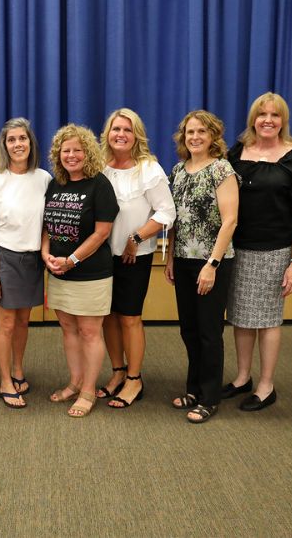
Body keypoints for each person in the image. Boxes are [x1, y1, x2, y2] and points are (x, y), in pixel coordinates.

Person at [223, 93, 292, 411]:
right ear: (253, 119)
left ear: (283, 121)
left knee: (267, 319)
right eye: (262, 114)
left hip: (275, 251)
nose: (268, 120)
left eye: (275, 115)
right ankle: (241, 378)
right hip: (238, 248)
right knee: (240, 317)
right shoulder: (237, 152)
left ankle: (266, 385)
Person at [98, 108, 176, 409]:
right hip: (102, 256)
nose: (121, 134)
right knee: (107, 315)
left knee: (129, 317)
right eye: (116, 129)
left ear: (136, 135)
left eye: (127, 130)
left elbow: (167, 212)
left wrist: (136, 238)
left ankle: (134, 379)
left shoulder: (149, 169)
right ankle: (117, 372)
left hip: (135, 256)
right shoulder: (100, 167)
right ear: (108, 133)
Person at [165, 110, 239, 424]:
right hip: (182, 259)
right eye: (190, 132)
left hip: (212, 262)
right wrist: (168, 257)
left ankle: (210, 397)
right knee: (189, 330)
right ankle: (193, 388)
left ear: (213, 137)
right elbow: (174, 220)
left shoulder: (221, 169)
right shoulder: (178, 170)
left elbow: (230, 220)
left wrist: (211, 265)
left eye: (201, 132)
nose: (194, 137)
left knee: (209, 332)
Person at [42, 124, 119, 417]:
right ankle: (74, 382)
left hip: (91, 273)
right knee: (68, 329)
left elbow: (101, 233)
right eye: (66, 150)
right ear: (58, 154)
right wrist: (46, 255)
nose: (71, 155)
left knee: (89, 332)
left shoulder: (100, 184)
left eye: (77, 150)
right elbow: (48, 226)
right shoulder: (55, 185)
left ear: (88, 153)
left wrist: (72, 259)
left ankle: (88, 391)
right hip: (58, 271)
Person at [0, 117, 51, 409]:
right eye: (12, 140)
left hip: (32, 260)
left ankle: (19, 369)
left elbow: (46, 224)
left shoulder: (44, 178)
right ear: (4, 146)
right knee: (6, 323)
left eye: (23, 138)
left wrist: (44, 253)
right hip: (3, 258)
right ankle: (6, 381)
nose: (18, 144)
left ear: (30, 142)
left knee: (23, 321)